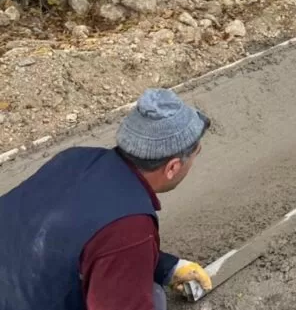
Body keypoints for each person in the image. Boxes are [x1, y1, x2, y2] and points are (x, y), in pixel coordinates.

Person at [0, 89, 213, 310]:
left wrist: (169, 267)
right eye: (196, 154)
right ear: (173, 167)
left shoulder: (75, 159)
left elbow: (80, 240)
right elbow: (119, 243)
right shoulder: (129, 225)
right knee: (153, 296)